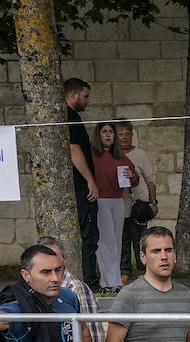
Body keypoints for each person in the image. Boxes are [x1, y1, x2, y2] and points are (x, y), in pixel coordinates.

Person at [91, 121, 139, 294]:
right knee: (106, 241)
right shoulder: (92, 155)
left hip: (117, 199)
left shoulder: (119, 155)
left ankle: (113, 280)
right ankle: (109, 281)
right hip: (100, 200)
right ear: (99, 135)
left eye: (111, 131)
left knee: (116, 240)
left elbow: (135, 178)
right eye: (104, 131)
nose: (108, 135)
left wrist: (131, 175)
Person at [64, 77, 100, 290]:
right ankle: (90, 283)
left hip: (77, 187)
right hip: (80, 188)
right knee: (88, 237)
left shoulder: (70, 116)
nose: (87, 101)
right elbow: (74, 150)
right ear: (74, 94)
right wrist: (91, 181)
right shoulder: (70, 117)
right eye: (85, 96)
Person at [116, 120, 157, 281]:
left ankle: (142, 270)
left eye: (127, 134)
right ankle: (124, 270)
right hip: (120, 203)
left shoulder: (140, 154)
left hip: (139, 204)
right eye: (121, 134)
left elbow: (150, 180)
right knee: (122, 239)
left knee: (139, 239)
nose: (125, 137)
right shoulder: (112, 156)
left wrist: (153, 202)